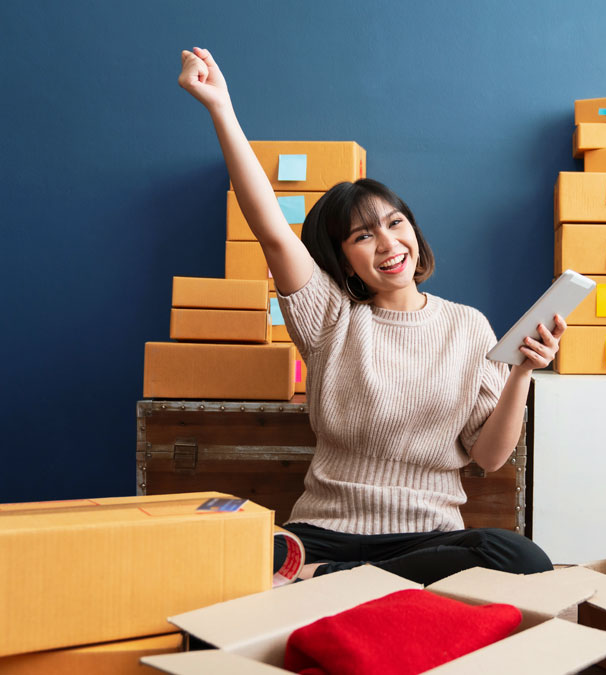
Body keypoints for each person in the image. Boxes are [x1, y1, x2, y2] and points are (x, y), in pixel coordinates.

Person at [178, 47, 566, 585]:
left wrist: (523, 371)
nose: (388, 243)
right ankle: (342, 576)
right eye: (364, 235)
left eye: (395, 223)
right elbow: (270, 230)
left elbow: (490, 457)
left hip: (429, 538)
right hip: (325, 529)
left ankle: (333, 580)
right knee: (218, 558)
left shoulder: (468, 326)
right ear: (344, 259)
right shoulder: (330, 318)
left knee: (523, 559)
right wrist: (221, 107)